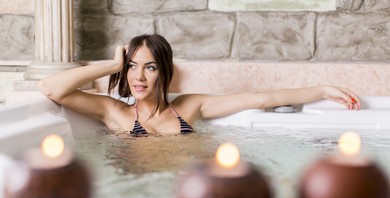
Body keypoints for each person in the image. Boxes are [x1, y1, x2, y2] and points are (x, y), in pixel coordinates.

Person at [39, 34, 360, 136]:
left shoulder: (189, 106)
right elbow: (51, 88)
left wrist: (322, 90)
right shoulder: (115, 112)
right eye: (132, 68)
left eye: (149, 67)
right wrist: (111, 65)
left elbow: (260, 97)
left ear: (163, 72)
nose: (138, 77)